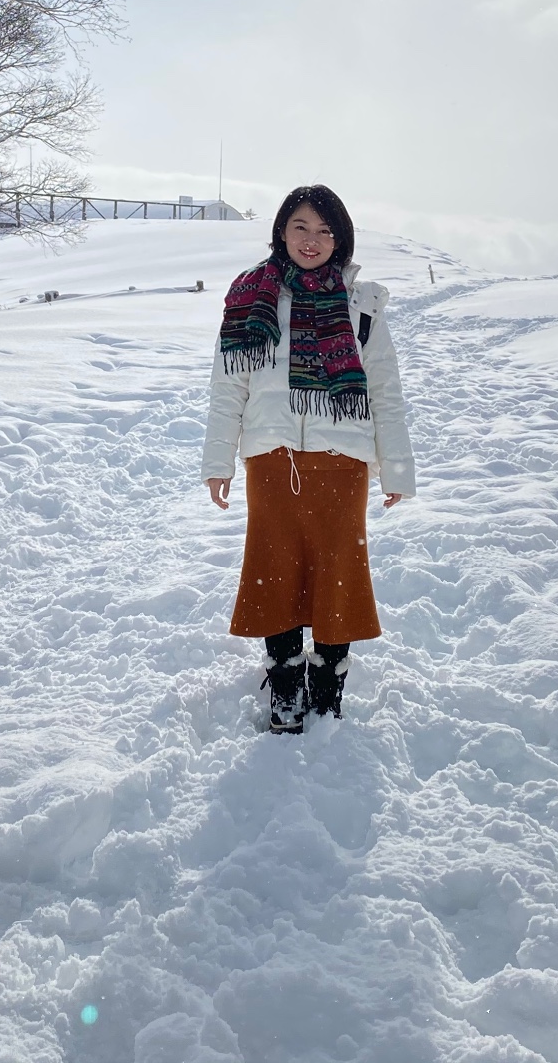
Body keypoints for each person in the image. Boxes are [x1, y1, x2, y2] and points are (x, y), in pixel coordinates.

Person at [203, 185, 417, 733]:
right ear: (281, 230)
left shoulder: (362, 307)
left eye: (325, 230)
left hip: (342, 466)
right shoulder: (252, 298)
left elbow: (385, 394)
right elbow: (230, 387)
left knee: (336, 581)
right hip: (273, 463)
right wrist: (219, 461)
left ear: (340, 240)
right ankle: (285, 694)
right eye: (301, 226)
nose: (312, 240)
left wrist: (395, 469)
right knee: (275, 577)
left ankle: (327, 691)